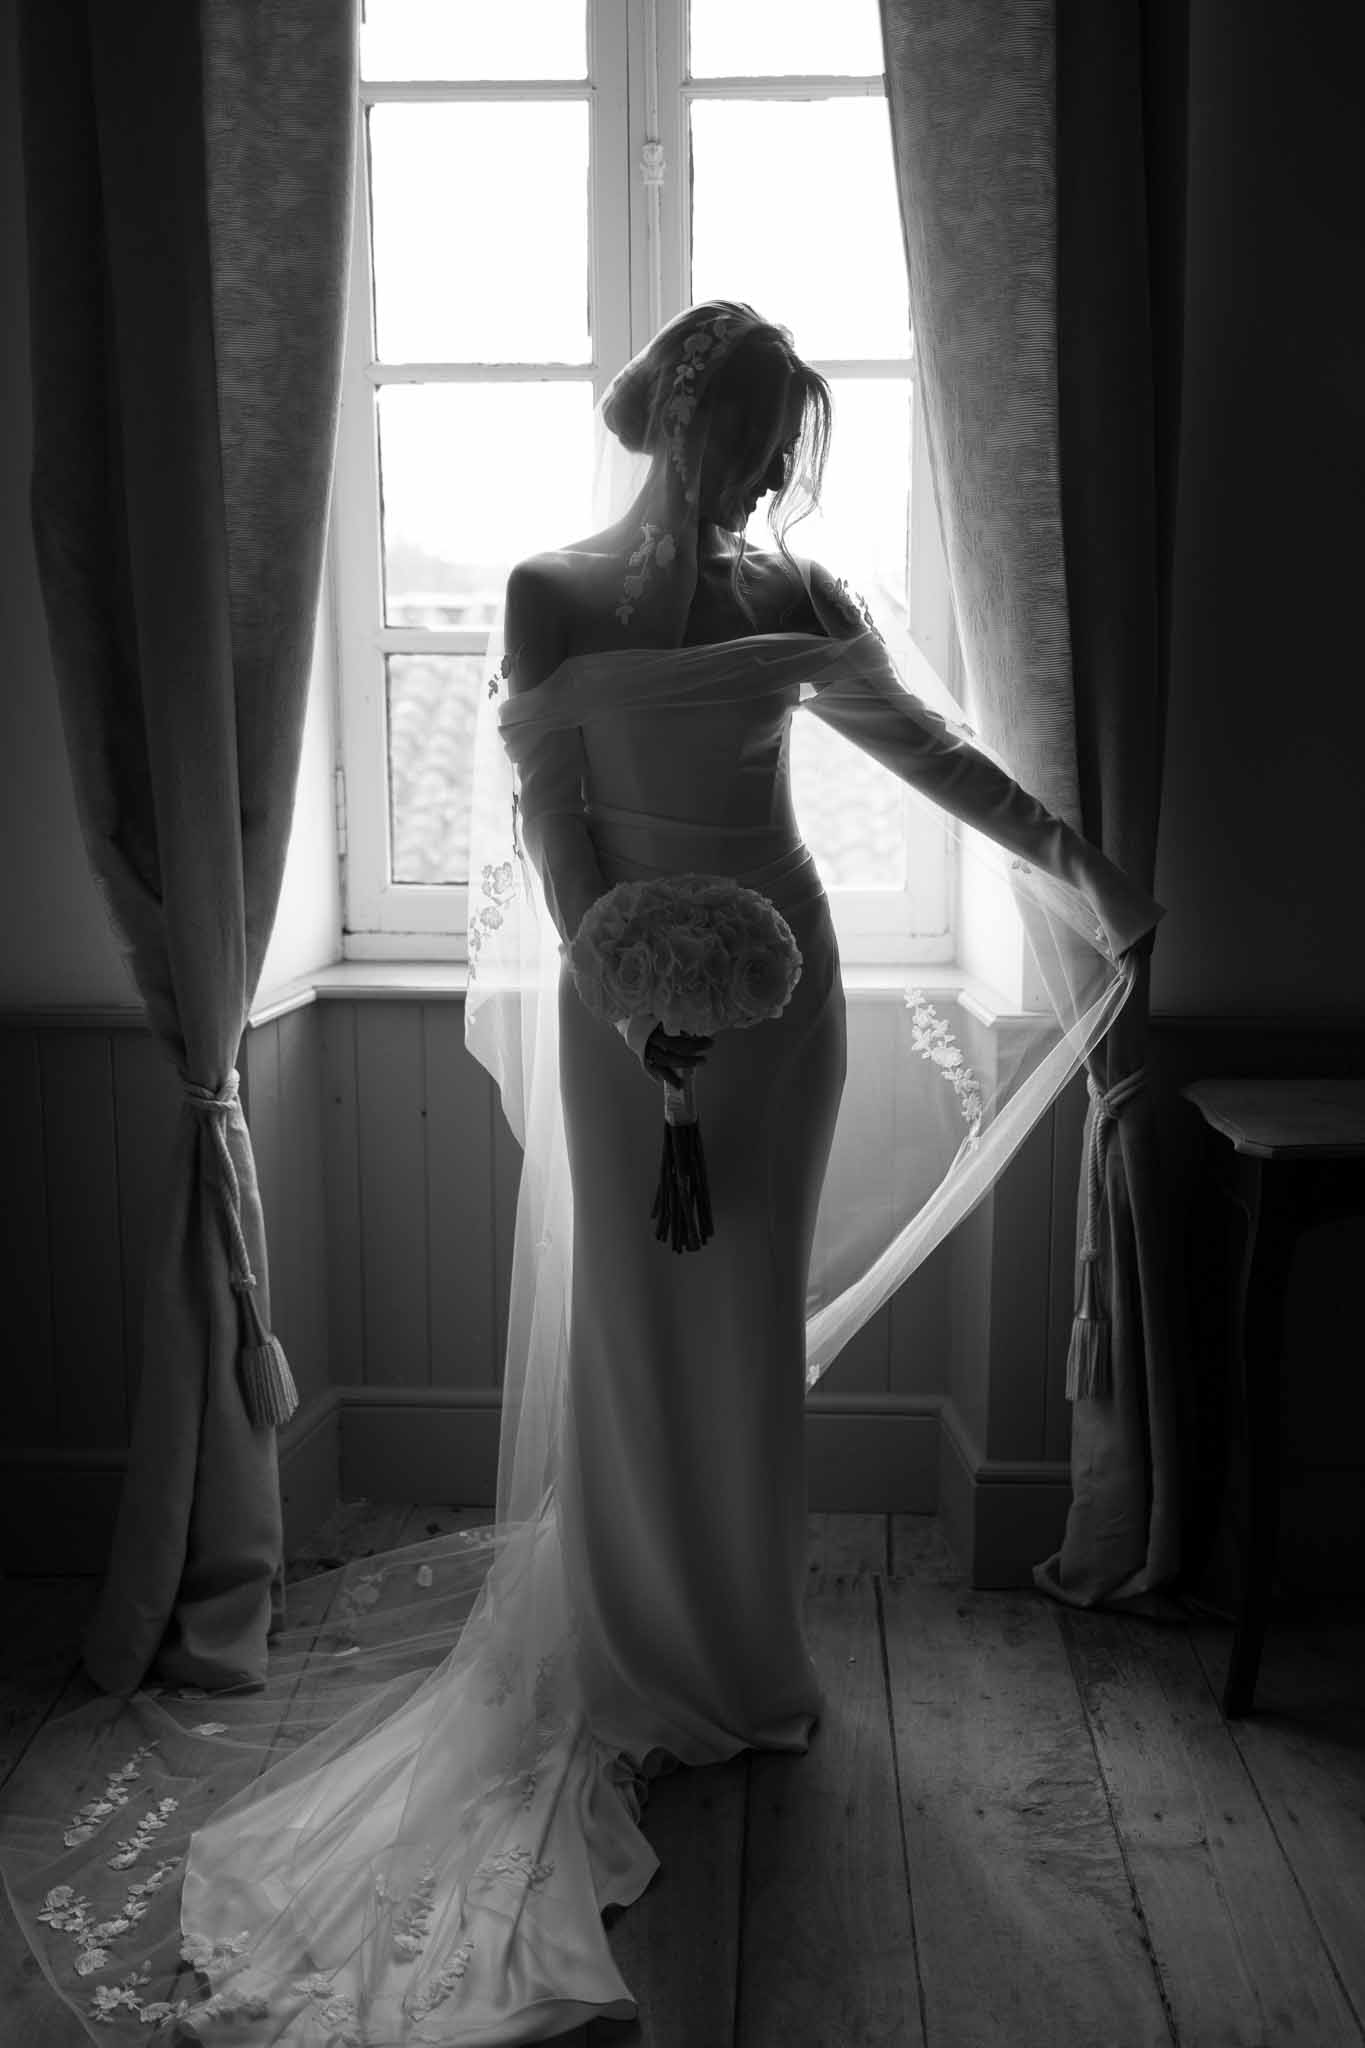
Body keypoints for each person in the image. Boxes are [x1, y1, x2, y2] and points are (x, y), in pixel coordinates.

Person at [1, 303, 1161, 2044]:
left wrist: (1077, 864)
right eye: (763, 433)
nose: (776, 471)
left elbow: (926, 753)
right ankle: (634, 1630)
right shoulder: (551, 595)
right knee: (642, 1314)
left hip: (786, 997)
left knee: (744, 1312)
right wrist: (625, 1003)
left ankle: (742, 1651)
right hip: (633, 997)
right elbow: (558, 833)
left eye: (791, 444)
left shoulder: (804, 602)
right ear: (689, 423)